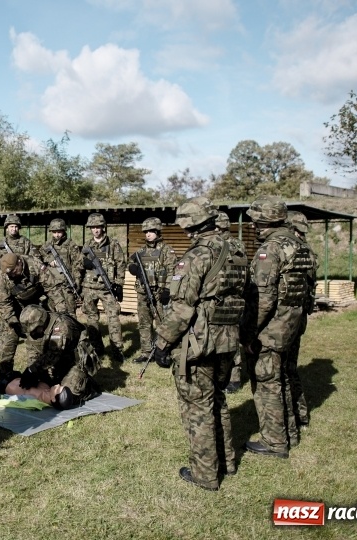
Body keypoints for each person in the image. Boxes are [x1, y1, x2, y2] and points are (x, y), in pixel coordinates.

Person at [150, 197, 248, 490]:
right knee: (217, 400)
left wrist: (162, 344)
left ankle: (205, 475)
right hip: (228, 339)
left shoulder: (195, 257)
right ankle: (227, 461)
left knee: (198, 407)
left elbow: (182, 308)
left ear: (188, 224)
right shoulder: (237, 249)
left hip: (199, 343)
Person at [241, 196, 315, 459]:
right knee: (282, 378)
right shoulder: (301, 246)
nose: (251, 225)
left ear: (264, 220)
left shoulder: (269, 250)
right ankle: (290, 433)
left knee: (267, 383)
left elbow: (263, 299)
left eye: (255, 220)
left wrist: (248, 333)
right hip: (293, 325)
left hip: (271, 330)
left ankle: (274, 442)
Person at [0, 305, 101, 410]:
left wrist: (32, 370)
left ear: (42, 322)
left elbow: (54, 354)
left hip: (76, 362)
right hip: (56, 363)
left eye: (35, 330)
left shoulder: (62, 326)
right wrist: (31, 373)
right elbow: (33, 352)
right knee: (41, 387)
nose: (33, 333)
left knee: (66, 397)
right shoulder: (35, 329)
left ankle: (89, 386)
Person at [0, 252, 67, 379]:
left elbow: (53, 289)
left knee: (38, 337)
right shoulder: (4, 275)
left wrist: (61, 312)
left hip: (37, 304)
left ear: (19, 263)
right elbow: (3, 302)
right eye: (8, 274)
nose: (11, 276)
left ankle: (37, 371)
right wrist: (13, 321)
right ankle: (4, 374)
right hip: (15, 306)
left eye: (13, 272)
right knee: (8, 337)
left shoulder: (35, 265)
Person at [284, 211, 319, 438]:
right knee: (291, 368)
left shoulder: (288, 251)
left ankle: (289, 423)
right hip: (300, 317)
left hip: (285, 319)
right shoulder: (310, 254)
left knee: (282, 373)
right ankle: (301, 414)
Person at [128, 217, 177, 364]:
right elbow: (131, 263)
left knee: (162, 324)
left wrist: (168, 289)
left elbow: (172, 271)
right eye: (146, 231)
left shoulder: (166, 250)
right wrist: (132, 268)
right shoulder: (140, 252)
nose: (148, 234)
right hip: (143, 292)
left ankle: (163, 352)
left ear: (157, 231)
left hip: (159, 292)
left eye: (151, 231)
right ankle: (146, 352)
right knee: (144, 323)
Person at [0, 214, 40, 350]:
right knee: (6, 312)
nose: (14, 229)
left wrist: (20, 258)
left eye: (16, 226)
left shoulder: (26, 242)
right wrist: (4, 260)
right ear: (6, 228)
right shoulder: (0, 243)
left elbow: (35, 258)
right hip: (6, 282)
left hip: (22, 283)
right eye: (11, 226)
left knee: (27, 310)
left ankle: (31, 337)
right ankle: (3, 340)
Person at [80, 212, 126, 363]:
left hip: (107, 288)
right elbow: (78, 264)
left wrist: (119, 284)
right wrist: (83, 263)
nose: (96, 230)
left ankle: (117, 350)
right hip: (89, 288)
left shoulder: (113, 244)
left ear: (103, 227)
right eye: (93, 227)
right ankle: (97, 349)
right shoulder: (87, 245)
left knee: (113, 319)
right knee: (92, 320)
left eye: (98, 227)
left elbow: (120, 264)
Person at [215, 211, 247, 394]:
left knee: (231, 339)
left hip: (227, 297)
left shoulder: (229, 245)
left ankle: (234, 377)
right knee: (228, 338)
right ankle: (226, 375)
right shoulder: (236, 244)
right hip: (233, 296)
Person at [39, 218, 83, 315]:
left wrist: (76, 281)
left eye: (59, 232)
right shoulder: (47, 244)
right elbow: (39, 256)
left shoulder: (70, 245)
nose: (57, 235)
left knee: (70, 311)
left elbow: (77, 264)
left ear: (63, 231)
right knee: (52, 311)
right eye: (54, 232)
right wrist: (49, 259)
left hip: (66, 284)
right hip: (52, 285)